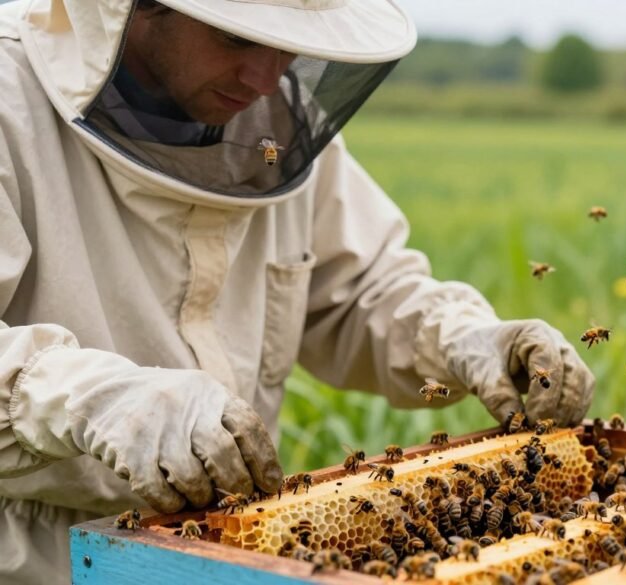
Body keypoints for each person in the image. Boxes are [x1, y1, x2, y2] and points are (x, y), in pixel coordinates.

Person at [0, 0, 595, 582]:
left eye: (287, 42)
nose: (265, 78)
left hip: (233, 547)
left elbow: (362, 288)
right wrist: (93, 399)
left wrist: (463, 336)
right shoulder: (10, 99)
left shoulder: (276, 127)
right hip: (33, 558)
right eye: (237, 37)